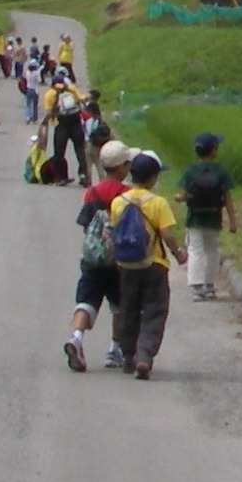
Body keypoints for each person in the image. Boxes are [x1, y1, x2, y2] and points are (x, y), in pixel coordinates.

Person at [106, 151, 186, 380]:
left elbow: (114, 233)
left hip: (127, 265)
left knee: (129, 310)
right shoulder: (158, 203)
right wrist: (178, 254)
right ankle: (144, 356)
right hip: (154, 265)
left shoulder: (118, 202)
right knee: (155, 310)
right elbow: (167, 235)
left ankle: (128, 356)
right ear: (152, 178)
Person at [65, 141, 135, 371]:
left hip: (93, 259)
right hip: (119, 261)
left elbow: (86, 226)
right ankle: (114, 350)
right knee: (119, 306)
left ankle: (76, 337)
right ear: (122, 168)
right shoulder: (127, 194)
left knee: (85, 301)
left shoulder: (92, 193)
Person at [177, 133, 237, 301]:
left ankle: (197, 288)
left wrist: (179, 198)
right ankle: (209, 286)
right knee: (212, 251)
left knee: (195, 250)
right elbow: (227, 198)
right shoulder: (221, 172)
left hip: (194, 218)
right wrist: (232, 220)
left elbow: (184, 195)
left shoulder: (190, 171)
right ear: (213, 151)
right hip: (213, 216)